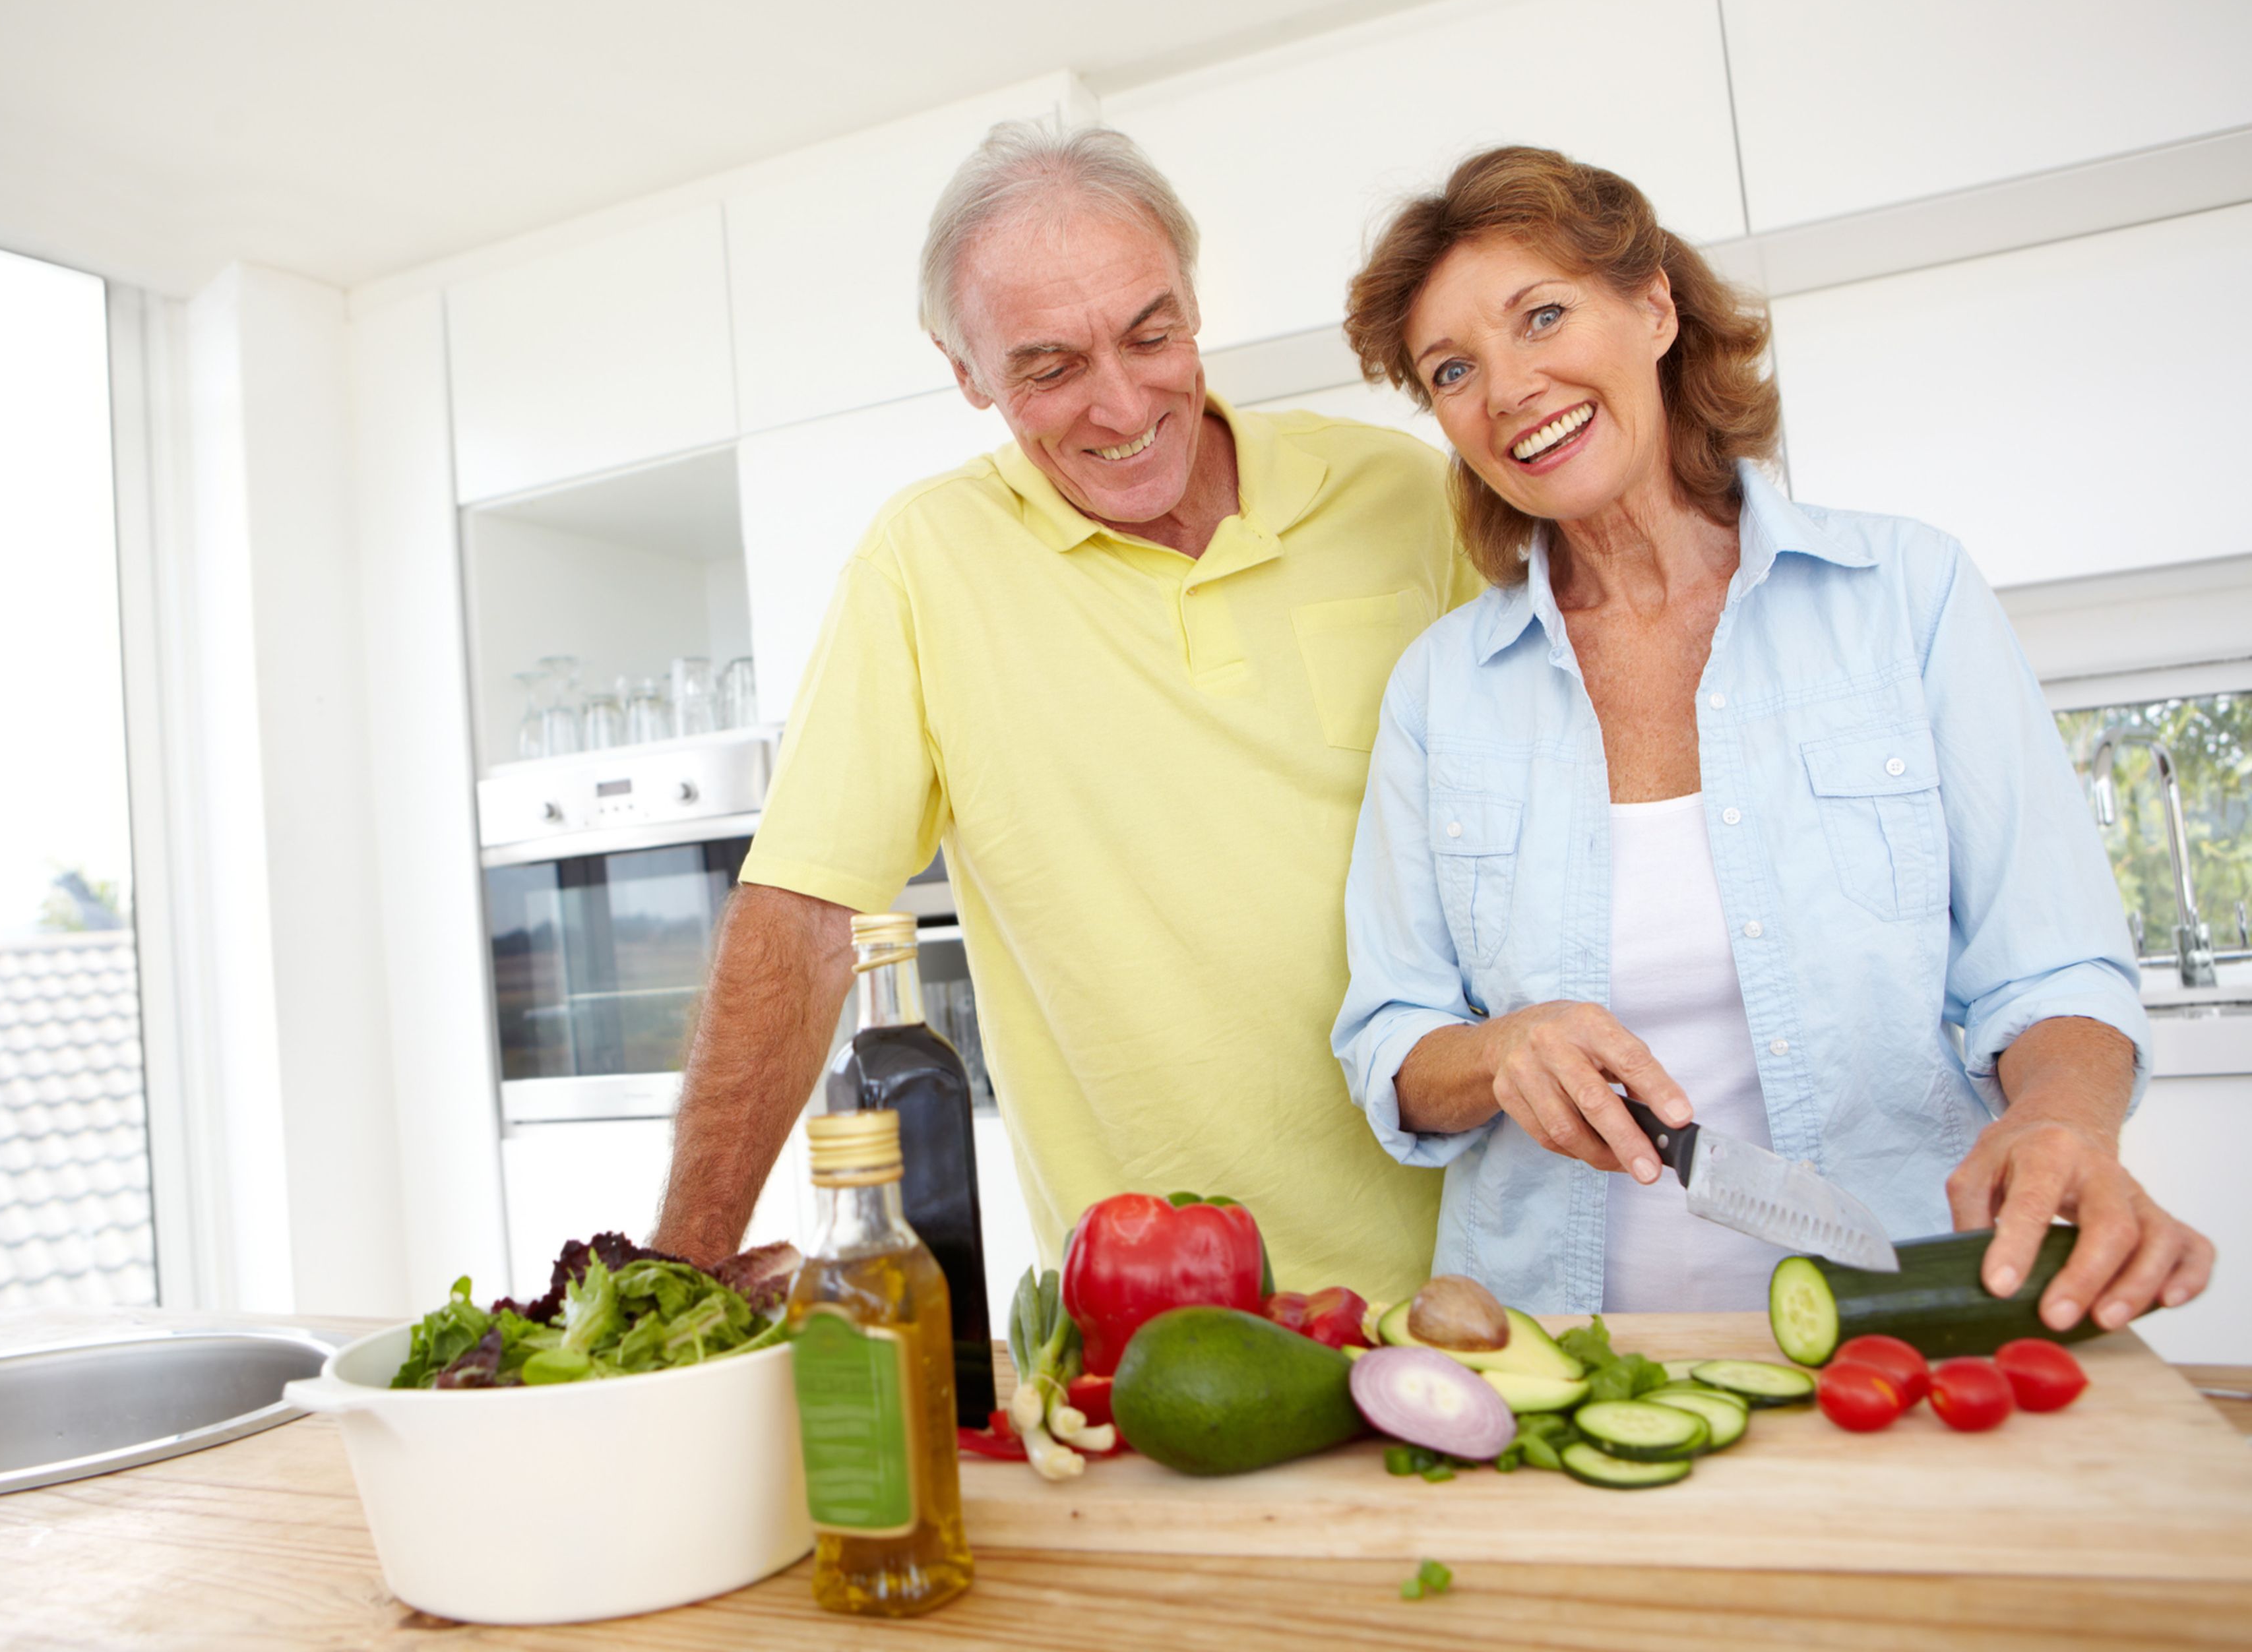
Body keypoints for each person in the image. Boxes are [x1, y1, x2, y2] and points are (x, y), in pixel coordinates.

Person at [1331, 146, 2214, 1328]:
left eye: (1543, 315)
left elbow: (2049, 970)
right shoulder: (1442, 690)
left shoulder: (1908, 594)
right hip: (1554, 1350)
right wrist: (1499, 1054)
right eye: (1452, 369)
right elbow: (1393, 1035)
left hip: (1901, 1328)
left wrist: (2057, 1116)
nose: (1508, 390)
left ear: (1654, 308)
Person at [652, 120, 1484, 1296]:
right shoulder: (923, 564)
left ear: (1194, 299)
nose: (1124, 403)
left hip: (1491, 1265)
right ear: (966, 372)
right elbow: (801, 919)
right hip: (1157, 1324)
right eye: (1049, 369)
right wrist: (671, 1284)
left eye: (1154, 334)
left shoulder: (1402, 495)